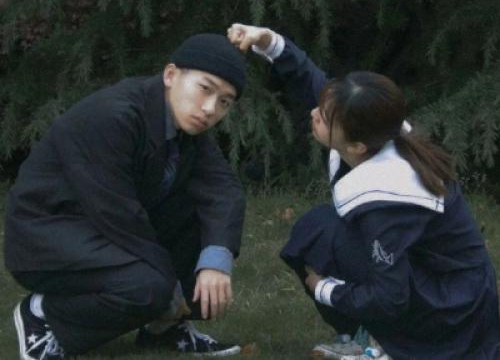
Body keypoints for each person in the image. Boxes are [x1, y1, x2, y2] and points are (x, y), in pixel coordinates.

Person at [228, 23, 500, 360]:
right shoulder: (374, 130)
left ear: (356, 145)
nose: (313, 113)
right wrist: (267, 41)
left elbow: (391, 297)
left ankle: (382, 345)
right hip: (441, 283)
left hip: (452, 312)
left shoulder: (389, 198)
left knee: (318, 233)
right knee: (320, 228)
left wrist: (325, 289)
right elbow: (311, 80)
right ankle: (365, 335)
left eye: (323, 117)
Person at [5, 33, 247, 359]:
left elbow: (223, 189)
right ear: (171, 75)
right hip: (47, 235)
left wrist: (216, 260)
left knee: (203, 222)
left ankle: (164, 330)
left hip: (102, 226)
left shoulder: (184, 121)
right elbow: (116, 213)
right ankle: (43, 316)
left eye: (224, 102)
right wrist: (172, 289)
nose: (210, 109)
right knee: (149, 288)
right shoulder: (113, 115)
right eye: (205, 88)